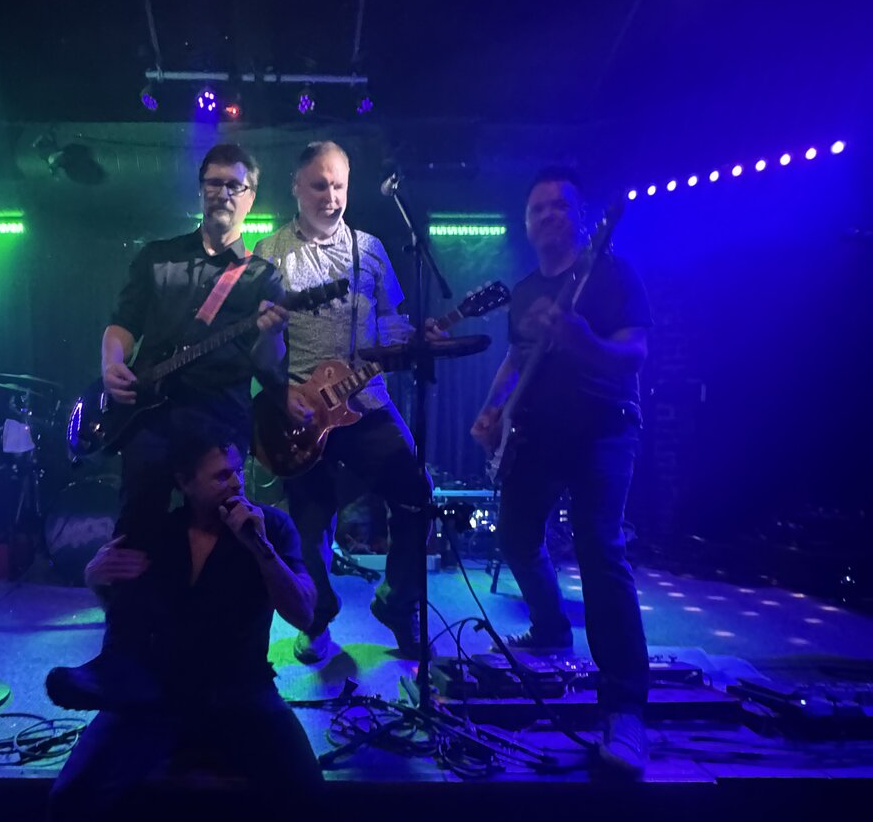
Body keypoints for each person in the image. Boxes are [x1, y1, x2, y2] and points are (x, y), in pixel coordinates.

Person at [47, 422, 323, 822]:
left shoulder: (271, 527)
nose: (237, 484)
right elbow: (130, 619)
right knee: (70, 798)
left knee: (309, 798)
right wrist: (96, 580)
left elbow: (303, 612)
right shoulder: (160, 532)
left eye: (238, 472)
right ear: (185, 483)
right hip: (159, 695)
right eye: (222, 476)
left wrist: (260, 549)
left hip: (241, 692)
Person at [471, 168, 652, 775]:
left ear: (581, 216)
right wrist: (493, 411)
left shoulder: (613, 273)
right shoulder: (524, 292)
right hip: (539, 435)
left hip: (605, 429)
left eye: (559, 206)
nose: (549, 215)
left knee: (600, 549)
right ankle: (550, 627)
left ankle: (625, 706)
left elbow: (633, 356)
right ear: (526, 224)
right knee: (516, 537)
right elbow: (517, 361)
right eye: (538, 208)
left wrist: (583, 342)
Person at [253, 140, 431, 663]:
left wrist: (411, 336)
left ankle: (398, 602)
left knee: (418, 495)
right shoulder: (270, 252)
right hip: (302, 411)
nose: (330, 197)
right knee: (309, 526)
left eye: (338, 186)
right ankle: (318, 617)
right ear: (295, 186)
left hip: (368, 402)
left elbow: (393, 319)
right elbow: (259, 341)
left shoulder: (370, 249)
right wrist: (281, 392)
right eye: (319, 185)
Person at [99, 142, 303, 536]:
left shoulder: (263, 277)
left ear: (250, 197)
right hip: (150, 419)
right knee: (137, 527)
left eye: (234, 186)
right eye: (214, 183)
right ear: (200, 190)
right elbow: (122, 323)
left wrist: (273, 332)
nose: (223, 193)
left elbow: (268, 363)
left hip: (221, 421)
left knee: (221, 535)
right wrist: (111, 363)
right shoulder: (158, 257)